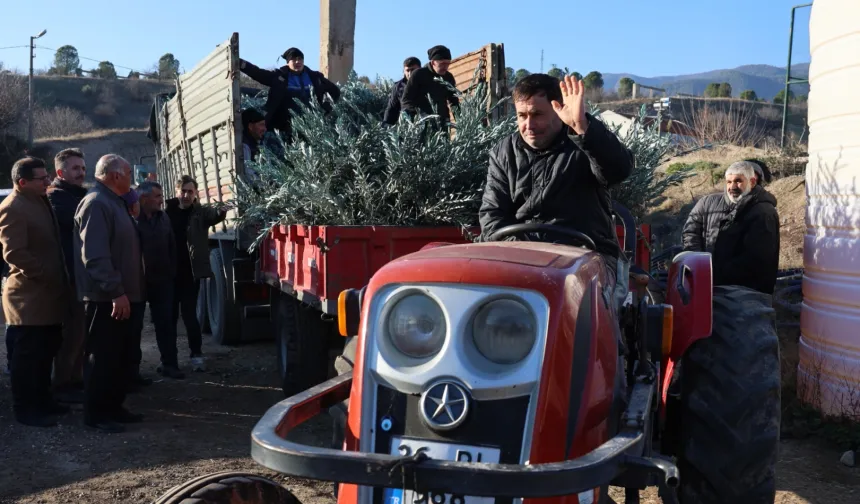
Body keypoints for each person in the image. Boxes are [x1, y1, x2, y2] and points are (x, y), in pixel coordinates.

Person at [478, 74, 634, 299]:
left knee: (574, 299)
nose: (528, 125)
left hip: (586, 257)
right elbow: (491, 218)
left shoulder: (584, 144)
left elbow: (619, 170)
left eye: (537, 115)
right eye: (522, 116)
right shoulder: (504, 153)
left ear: (558, 110)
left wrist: (583, 128)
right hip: (520, 258)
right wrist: (527, 253)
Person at [74, 154, 146, 433]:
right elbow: (95, 255)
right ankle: (97, 414)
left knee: (118, 357)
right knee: (102, 357)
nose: (132, 178)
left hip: (121, 296)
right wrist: (116, 291)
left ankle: (114, 407)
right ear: (115, 175)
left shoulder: (113, 202)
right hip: (105, 298)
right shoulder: (96, 203)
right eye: (129, 173)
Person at [0, 157, 70, 427]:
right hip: (28, 298)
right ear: (22, 182)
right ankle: (26, 409)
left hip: (47, 295)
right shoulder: (14, 207)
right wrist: (44, 274)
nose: (48, 182)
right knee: (27, 358)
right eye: (42, 179)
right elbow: (14, 253)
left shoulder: (38, 201)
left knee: (46, 352)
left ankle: (43, 401)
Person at [682, 160, 780, 294]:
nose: (733, 186)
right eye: (729, 182)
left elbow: (757, 258)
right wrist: (699, 265)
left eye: (738, 181)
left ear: (752, 182)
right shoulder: (707, 203)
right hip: (707, 284)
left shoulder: (763, 212)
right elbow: (690, 232)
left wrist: (716, 275)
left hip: (746, 293)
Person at [165, 176, 228, 371]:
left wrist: (222, 210)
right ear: (177, 192)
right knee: (168, 317)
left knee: (190, 316)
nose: (186, 195)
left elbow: (214, 214)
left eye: (190, 192)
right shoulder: (166, 212)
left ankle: (196, 354)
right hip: (168, 275)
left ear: (195, 194)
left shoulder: (200, 213)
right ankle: (169, 359)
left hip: (189, 274)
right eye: (183, 191)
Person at [46, 148, 89, 404]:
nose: (81, 173)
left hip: (80, 275)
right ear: (60, 172)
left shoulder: (77, 195)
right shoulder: (57, 198)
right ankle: (63, 383)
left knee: (80, 332)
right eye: (75, 168)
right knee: (70, 334)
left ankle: (76, 378)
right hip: (68, 276)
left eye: (83, 168)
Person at [239, 47, 341, 143]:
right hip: (285, 126)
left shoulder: (315, 77)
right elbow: (258, 73)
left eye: (300, 59)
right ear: (288, 62)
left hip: (311, 125)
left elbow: (335, 91)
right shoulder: (279, 78)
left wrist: (325, 107)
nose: (298, 62)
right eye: (294, 59)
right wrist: (241, 64)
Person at [136, 181, 184, 379]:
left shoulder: (163, 217)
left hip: (162, 281)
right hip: (137, 282)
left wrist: (171, 273)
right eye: (156, 196)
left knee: (165, 324)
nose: (160, 200)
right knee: (133, 328)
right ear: (144, 198)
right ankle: (132, 371)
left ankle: (170, 364)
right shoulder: (131, 218)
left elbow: (172, 245)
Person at [401, 45, 459, 127]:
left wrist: (461, 122)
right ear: (433, 62)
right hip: (423, 124)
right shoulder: (418, 75)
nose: (445, 67)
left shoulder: (448, 77)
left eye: (447, 63)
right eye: (442, 64)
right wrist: (418, 116)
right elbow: (406, 100)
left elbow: (454, 102)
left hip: (442, 122)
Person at [383, 56, 421, 125]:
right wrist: (386, 124)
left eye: (413, 70)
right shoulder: (398, 86)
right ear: (403, 71)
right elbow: (392, 108)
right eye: (407, 70)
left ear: (419, 69)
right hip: (406, 125)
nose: (410, 73)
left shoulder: (428, 83)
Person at [242, 108, 267, 185]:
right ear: (250, 126)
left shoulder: (258, 145)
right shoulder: (244, 146)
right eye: (261, 125)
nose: (265, 129)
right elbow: (249, 175)